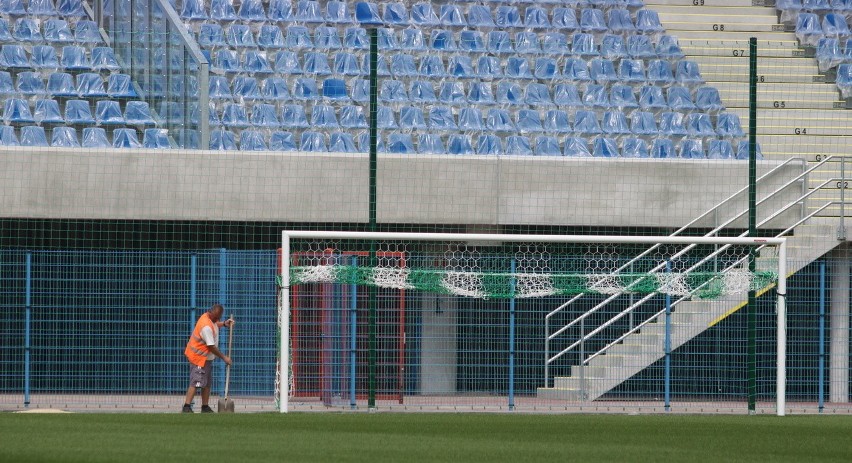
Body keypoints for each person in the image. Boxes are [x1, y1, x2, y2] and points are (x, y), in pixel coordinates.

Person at [182, 304, 234, 413]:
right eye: (216, 318)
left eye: (218, 318)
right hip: (198, 358)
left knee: (206, 383)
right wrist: (225, 358)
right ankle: (186, 406)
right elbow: (211, 346)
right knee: (196, 382)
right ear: (212, 313)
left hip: (206, 359)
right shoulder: (206, 327)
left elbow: (214, 324)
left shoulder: (208, 317)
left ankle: (205, 407)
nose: (217, 319)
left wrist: (224, 324)